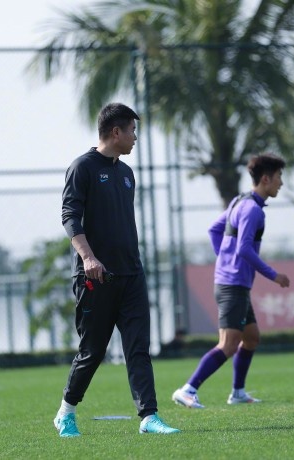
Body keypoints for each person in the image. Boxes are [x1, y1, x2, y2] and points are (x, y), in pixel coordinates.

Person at [53, 102, 180, 437]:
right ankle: (66, 412)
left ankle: (149, 417)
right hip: (95, 277)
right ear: (116, 132)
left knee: (138, 348)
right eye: (132, 131)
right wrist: (88, 258)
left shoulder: (126, 173)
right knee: (92, 351)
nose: (135, 138)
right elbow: (70, 217)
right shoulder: (82, 167)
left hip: (131, 275)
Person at [172, 154, 291, 409]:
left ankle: (237, 392)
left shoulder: (240, 201)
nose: (281, 183)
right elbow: (245, 250)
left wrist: (224, 259)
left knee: (251, 338)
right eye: (279, 178)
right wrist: (274, 275)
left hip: (234, 283)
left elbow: (214, 230)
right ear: (266, 179)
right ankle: (188, 389)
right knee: (228, 344)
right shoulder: (253, 210)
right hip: (232, 285)